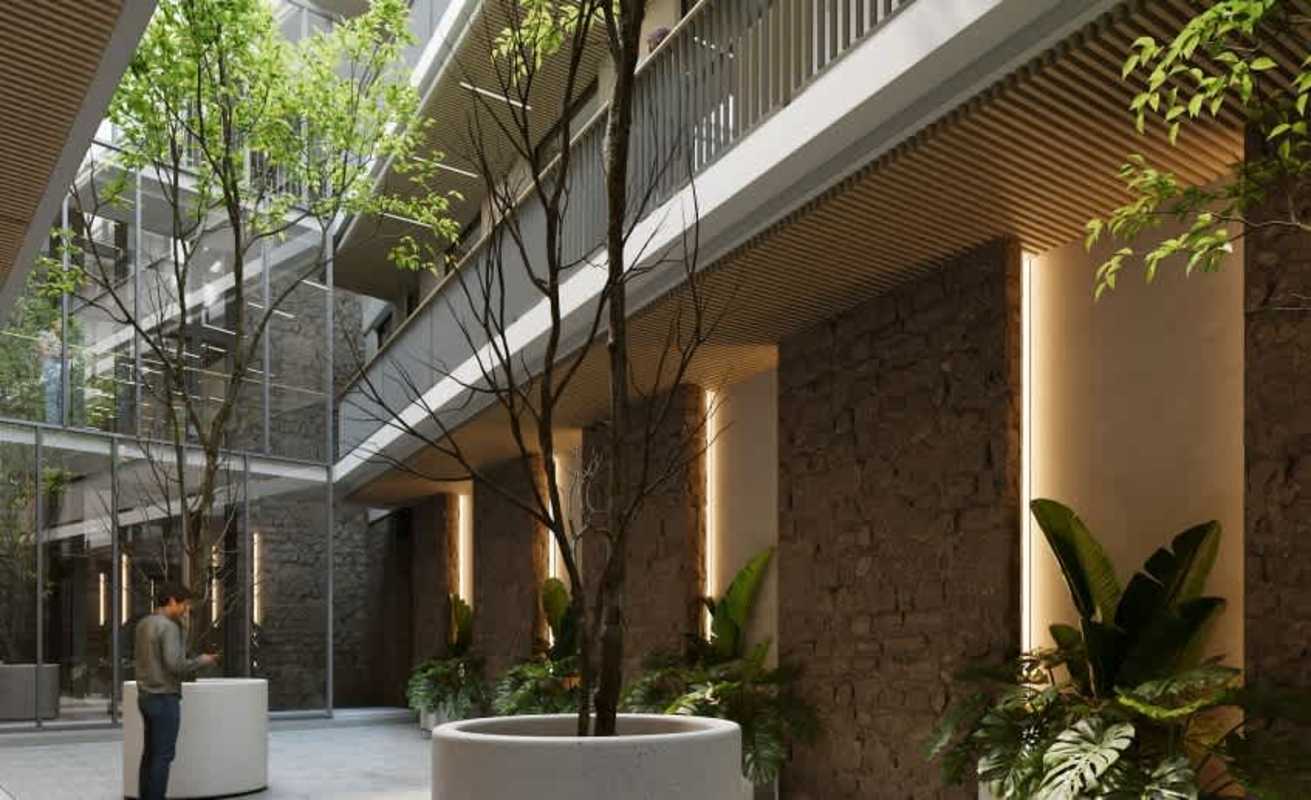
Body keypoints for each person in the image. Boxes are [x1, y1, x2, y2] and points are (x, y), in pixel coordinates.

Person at [134, 584, 219, 800]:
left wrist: (182, 626)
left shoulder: (143, 624)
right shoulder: (169, 627)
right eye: (183, 605)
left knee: (150, 754)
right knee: (163, 755)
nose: (185, 610)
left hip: (145, 696)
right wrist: (202, 660)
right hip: (164, 697)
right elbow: (176, 665)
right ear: (172, 600)